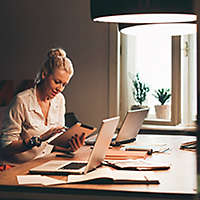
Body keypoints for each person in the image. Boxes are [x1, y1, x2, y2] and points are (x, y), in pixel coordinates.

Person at [0, 48, 85, 164]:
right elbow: (5, 147)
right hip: (17, 167)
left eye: (64, 85)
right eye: (57, 82)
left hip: (43, 163)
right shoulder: (21, 101)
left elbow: (51, 144)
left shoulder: (59, 100)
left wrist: (70, 147)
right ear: (45, 75)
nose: (59, 89)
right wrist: (38, 139)